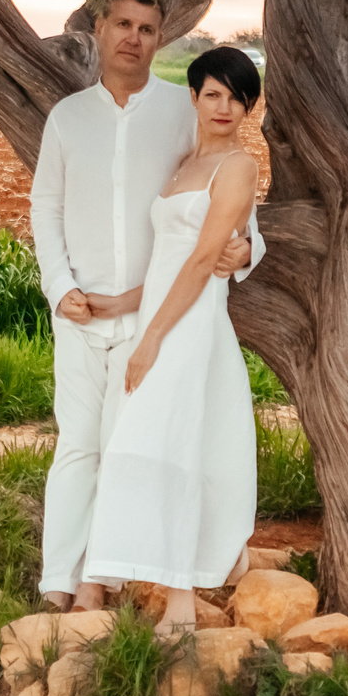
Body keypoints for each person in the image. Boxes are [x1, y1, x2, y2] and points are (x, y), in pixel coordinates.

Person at [30, 0, 256, 611]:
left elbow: (229, 202)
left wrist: (245, 251)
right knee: (78, 445)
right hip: (80, 313)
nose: (133, 38)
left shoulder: (188, 110)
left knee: (126, 446)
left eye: (147, 29)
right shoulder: (68, 118)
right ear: (100, 29)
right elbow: (45, 207)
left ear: (160, 39)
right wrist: (61, 287)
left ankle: (105, 581)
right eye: (123, 24)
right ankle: (59, 584)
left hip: (152, 314)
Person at [76, 46, 264, 636]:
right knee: (136, 442)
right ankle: (102, 576)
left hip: (190, 326)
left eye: (237, 99)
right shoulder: (183, 164)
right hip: (159, 316)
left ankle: (179, 599)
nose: (224, 107)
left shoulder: (239, 167)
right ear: (194, 97)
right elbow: (169, 258)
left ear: (249, 108)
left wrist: (153, 338)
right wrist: (122, 304)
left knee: (169, 447)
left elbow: (206, 258)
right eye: (214, 94)